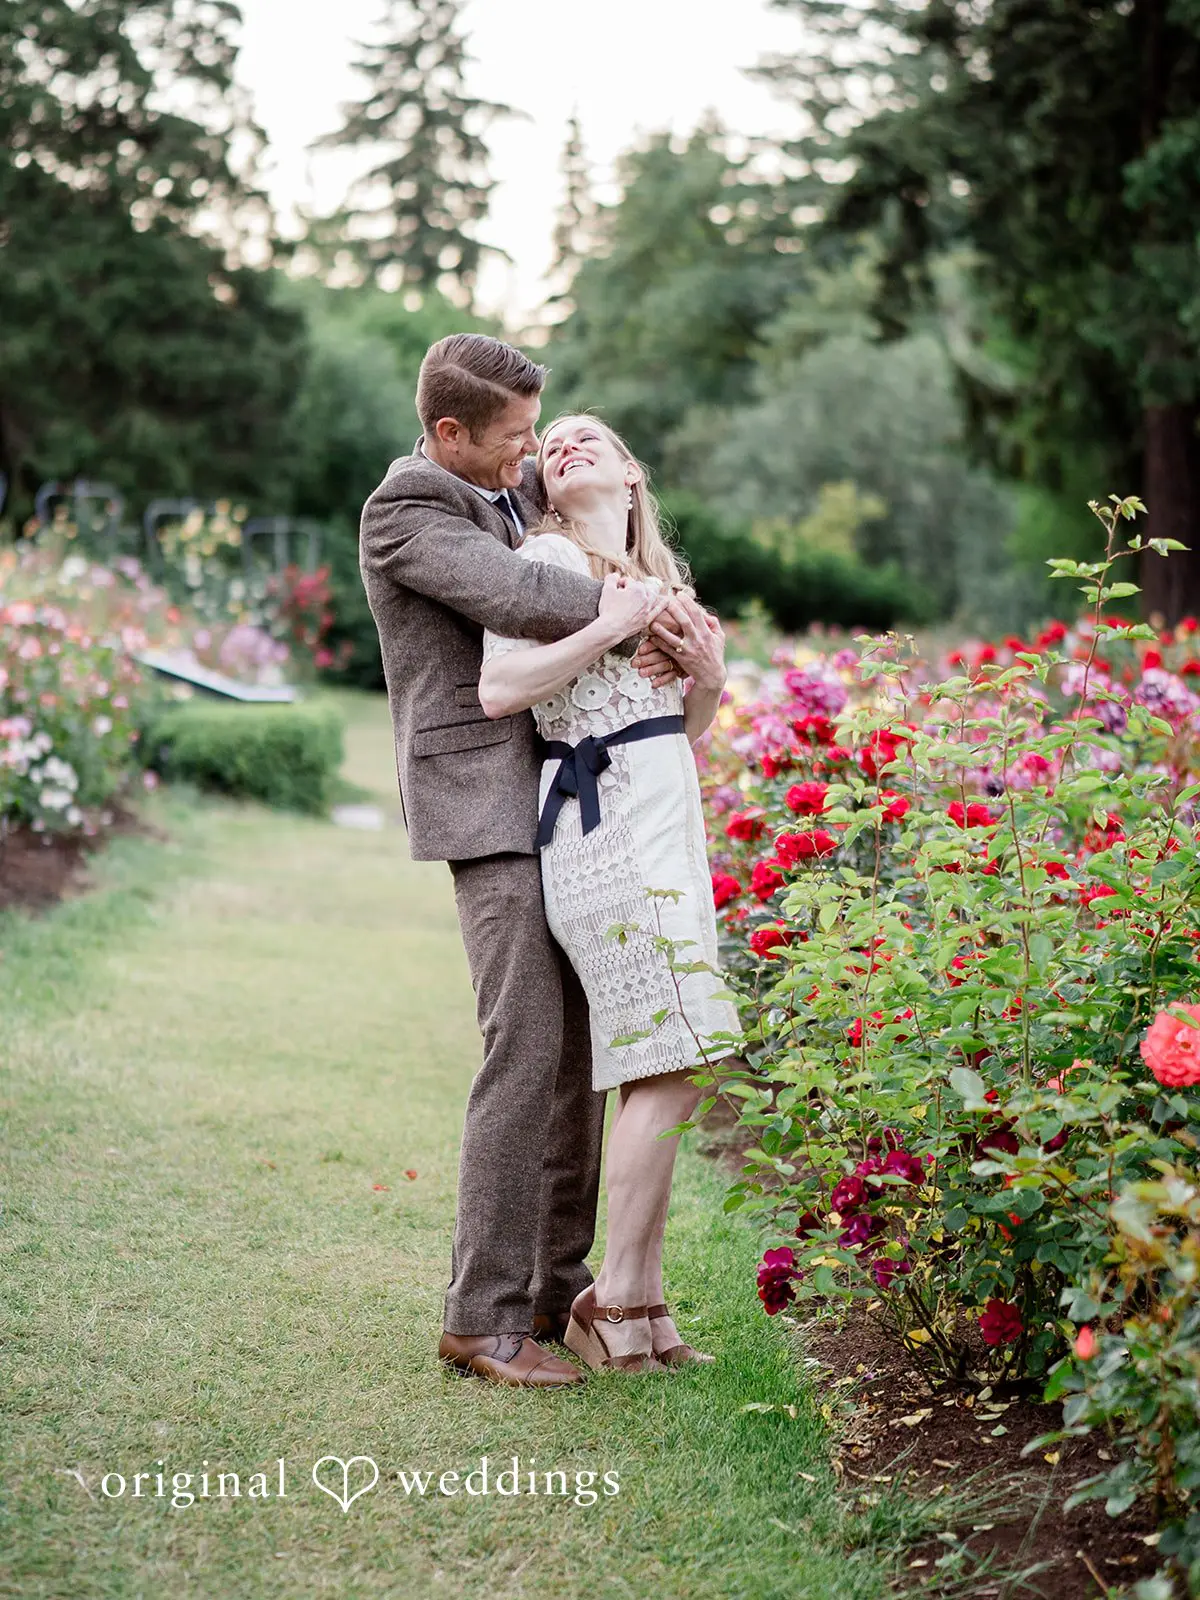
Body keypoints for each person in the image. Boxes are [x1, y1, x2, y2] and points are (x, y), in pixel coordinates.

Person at [359, 335, 685, 1389]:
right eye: (511, 439)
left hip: (556, 799)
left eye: (535, 434)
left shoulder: (494, 492)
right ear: (448, 432)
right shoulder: (407, 508)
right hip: (482, 807)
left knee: (576, 1050)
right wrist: (636, 603)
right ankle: (480, 1318)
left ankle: (553, 1291)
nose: (530, 455)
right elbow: (512, 595)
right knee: (524, 1043)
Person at [478, 414, 740, 1373]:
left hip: (667, 820)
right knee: (678, 1057)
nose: (568, 443)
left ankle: (647, 1303)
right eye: (556, 442)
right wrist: (606, 624)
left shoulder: (664, 582)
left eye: (593, 437)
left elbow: (681, 725)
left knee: (662, 1060)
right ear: (547, 483)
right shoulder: (544, 556)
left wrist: (708, 677)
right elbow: (500, 687)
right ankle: (612, 1301)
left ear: (631, 475)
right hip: (602, 829)